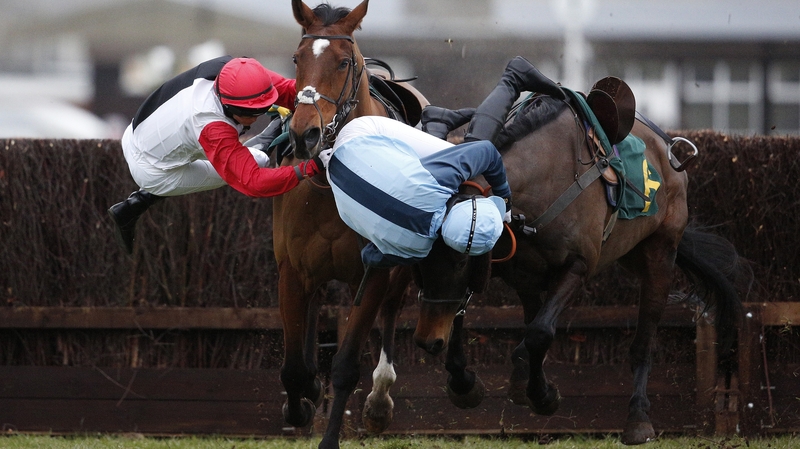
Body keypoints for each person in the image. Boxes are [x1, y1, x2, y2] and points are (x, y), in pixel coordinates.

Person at [326, 55, 565, 267]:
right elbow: (370, 256)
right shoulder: (417, 252)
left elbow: (487, 153)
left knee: (470, 164)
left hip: (361, 133)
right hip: (334, 174)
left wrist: (504, 199)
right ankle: (443, 120)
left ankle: (513, 78)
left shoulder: (438, 183)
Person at [108, 56, 329, 254]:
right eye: (250, 113)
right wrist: (308, 168)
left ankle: (133, 205)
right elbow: (254, 183)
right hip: (152, 170)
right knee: (258, 160)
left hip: (141, 130)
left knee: (242, 155)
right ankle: (133, 207)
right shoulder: (212, 126)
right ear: (228, 104)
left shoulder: (239, 73)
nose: (255, 116)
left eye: (263, 107)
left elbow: (291, 91)